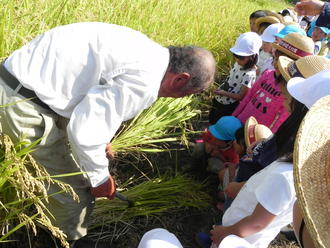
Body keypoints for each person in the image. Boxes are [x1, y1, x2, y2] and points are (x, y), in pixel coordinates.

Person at [0, 22, 216, 246]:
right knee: (74, 191)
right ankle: (65, 238)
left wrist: (100, 139)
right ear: (180, 78)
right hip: (22, 101)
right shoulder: (145, 82)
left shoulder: (150, 53)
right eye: (189, 93)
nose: (180, 98)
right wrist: (100, 179)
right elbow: (84, 132)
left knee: (78, 165)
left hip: (32, 84)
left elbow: (96, 99)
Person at [209, 32, 261, 124]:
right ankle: (208, 136)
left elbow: (241, 97)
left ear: (253, 57)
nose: (237, 59)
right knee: (212, 118)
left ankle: (214, 137)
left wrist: (224, 93)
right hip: (220, 98)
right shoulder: (238, 64)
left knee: (220, 123)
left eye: (241, 57)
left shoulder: (249, 75)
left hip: (228, 104)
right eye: (236, 55)